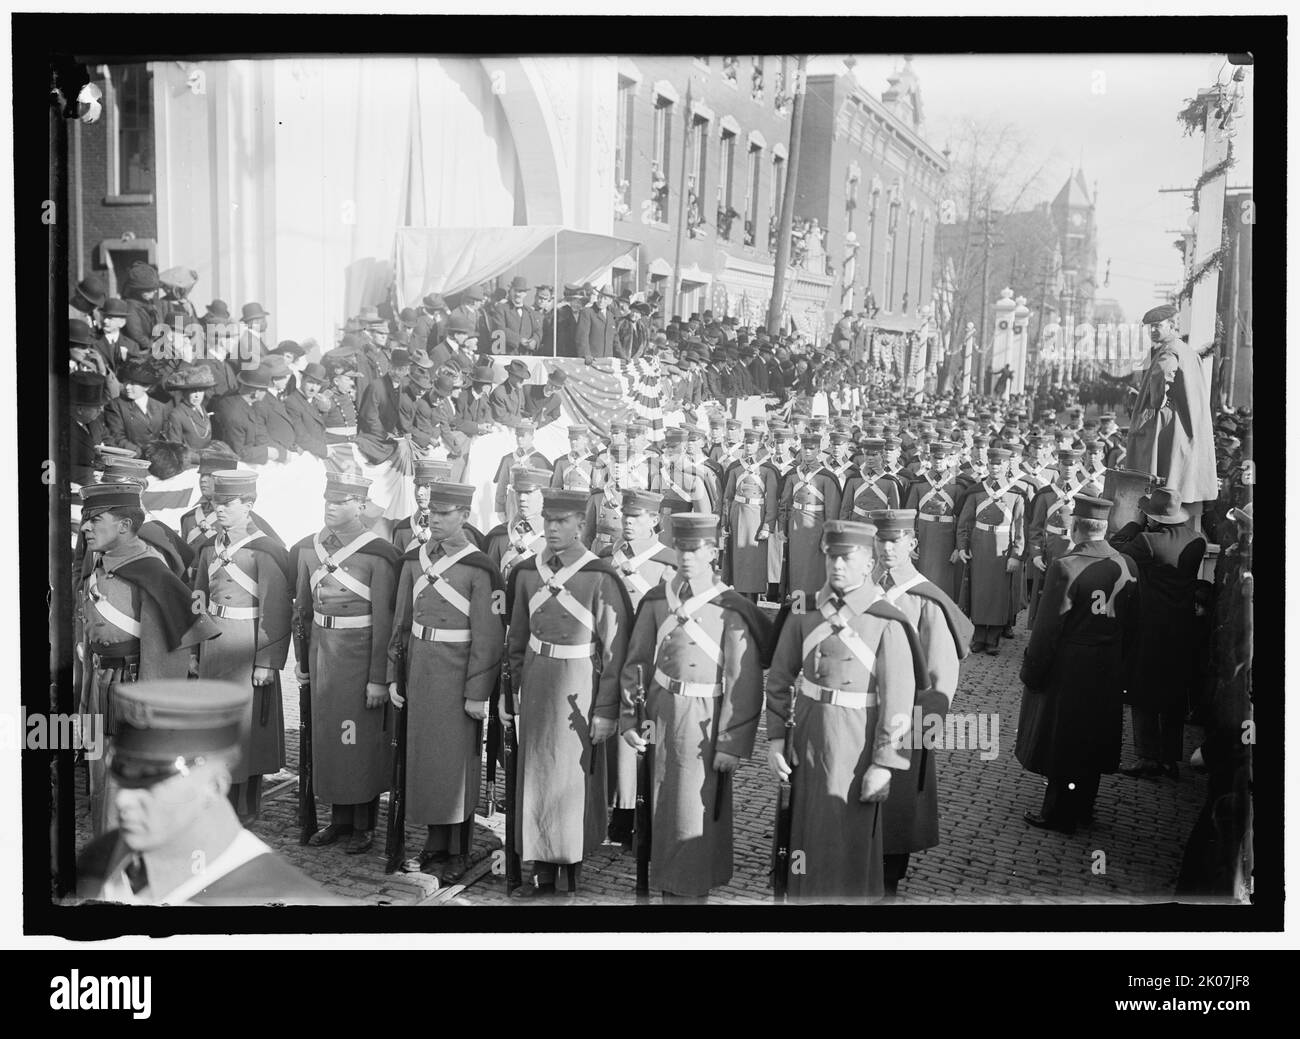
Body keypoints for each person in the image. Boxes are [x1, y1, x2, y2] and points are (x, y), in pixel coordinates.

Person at [76, 679, 348, 905]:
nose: (123, 799)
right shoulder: (98, 860)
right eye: (122, 776)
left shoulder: (284, 900)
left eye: (150, 782)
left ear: (214, 786)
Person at [764, 519, 922, 903]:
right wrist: (775, 740)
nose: (836, 565)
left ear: (869, 563)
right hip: (808, 740)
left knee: (848, 842)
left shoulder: (887, 619)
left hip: (857, 746)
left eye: (846, 558)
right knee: (805, 833)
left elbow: (899, 700)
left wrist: (884, 763)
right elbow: (779, 677)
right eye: (831, 556)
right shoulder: (803, 609)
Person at [618, 513, 769, 902]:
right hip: (661, 711)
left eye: (696, 548)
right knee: (661, 803)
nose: (687, 555)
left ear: (713, 552)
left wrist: (731, 742)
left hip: (706, 718)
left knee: (693, 809)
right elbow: (636, 661)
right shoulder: (657, 600)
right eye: (682, 547)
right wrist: (630, 717)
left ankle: (688, 892)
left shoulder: (731, 608)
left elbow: (743, 682)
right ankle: (668, 883)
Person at [502, 487, 632, 897]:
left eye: (562, 522)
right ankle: (540, 868)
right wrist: (512, 694)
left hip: (580, 685)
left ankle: (569, 868)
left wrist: (607, 709)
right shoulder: (526, 573)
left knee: (572, 777)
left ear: (580, 524)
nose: (553, 528)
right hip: (539, 683)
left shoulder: (601, 577)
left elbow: (615, 652)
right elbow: (516, 642)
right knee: (537, 774)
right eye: (548, 521)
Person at [76, 481, 220, 834]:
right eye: (86, 519)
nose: (85, 528)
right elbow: (91, 642)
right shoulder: (101, 566)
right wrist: (83, 699)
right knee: (101, 778)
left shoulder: (150, 573)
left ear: (125, 526)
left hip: (132, 689)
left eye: (95, 519)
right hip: (100, 686)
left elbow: (166, 651)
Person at [388, 481, 504, 880]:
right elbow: (400, 624)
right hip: (421, 670)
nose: (434, 520)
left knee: (456, 763)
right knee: (426, 761)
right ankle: (434, 842)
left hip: (458, 676)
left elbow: (488, 637)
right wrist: (393, 677)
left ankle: (457, 846)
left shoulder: (478, 566)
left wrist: (477, 691)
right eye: (431, 514)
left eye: (444, 514)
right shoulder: (414, 560)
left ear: (464, 517)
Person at [1016, 495, 1140, 833]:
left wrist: (1033, 670)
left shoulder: (1066, 566)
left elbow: (1047, 629)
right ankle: (1084, 806)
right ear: (1104, 527)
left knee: (1063, 739)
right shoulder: (1128, 564)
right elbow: (1134, 624)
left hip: (1070, 666)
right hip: (1108, 664)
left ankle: (1057, 812)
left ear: (1074, 527)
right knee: (1092, 737)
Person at [292, 471, 401, 855]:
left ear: (360, 505)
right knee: (331, 740)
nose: (331, 507)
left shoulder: (378, 553)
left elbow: (386, 622)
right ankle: (339, 820)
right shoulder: (309, 549)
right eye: (328, 501)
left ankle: (363, 823)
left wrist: (378, 679)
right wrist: (302, 662)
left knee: (359, 740)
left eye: (341, 501)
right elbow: (302, 614)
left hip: (359, 659)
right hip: (324, 657)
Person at [869, 509, 973, 898]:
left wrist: (920, 733)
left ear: (912, 543)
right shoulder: (865, 586)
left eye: (896, 540)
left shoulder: (926, 600)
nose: (887, 548)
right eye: (881, 540)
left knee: (896, 809)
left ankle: (887, 881)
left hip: (902, 721)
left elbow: (942, 679)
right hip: (860, 713)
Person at [190, 469, 293, 823]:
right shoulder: (208, 548)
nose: (220, 509)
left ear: (249, 505)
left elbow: (276, 611)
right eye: (217, 502)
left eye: (228, 503)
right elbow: (198, 599)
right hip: (214, 646)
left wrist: (267, 661)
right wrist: (193, 650)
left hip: (247, 646)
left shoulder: (265, 550)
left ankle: (245, 805)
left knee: (248, 730)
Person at [1111, 487, 1207, 781]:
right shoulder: (1197, 541)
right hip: (1182, 629)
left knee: (1143, 695)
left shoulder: (1146, 542)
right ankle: (1169, 759)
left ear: (1153, 518)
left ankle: (1147, 757)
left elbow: (1115, 546)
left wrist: (1137, 522)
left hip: (1149, 628)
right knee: (1173, 696)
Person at [1125, 304, 1218, 523]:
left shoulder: (1169, 351)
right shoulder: (1188, 351)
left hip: (1172, 427)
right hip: (1189, 427)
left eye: (1158, 326)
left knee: (1158, 476)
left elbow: (1162, 374)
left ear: (1172, 325)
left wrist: (1155, 401)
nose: (1153, 331)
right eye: (1150, 327)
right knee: (1183, 482)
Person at [954, 447, 1025, 654]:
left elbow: (1020, 528)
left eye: (999, 464)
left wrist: (1016, 555)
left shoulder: (1015, 493)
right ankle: (978, 636)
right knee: (978, 591)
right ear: (987, 465)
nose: (995, 467)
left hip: (1003, 549)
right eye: (992, 464)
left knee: (998, 593)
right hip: (979, 546)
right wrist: (961, 547)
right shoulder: (977, 491)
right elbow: (964, 523)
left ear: (1006, 466)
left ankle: (993, 637)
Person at [779, 433, 843, 601]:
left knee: (814, 571)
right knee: (796, 570)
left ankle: (814, 610)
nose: (807, 452)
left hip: (817, 529)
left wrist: (827, 536)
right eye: (804, 448)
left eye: (811, 449)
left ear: (819, 450)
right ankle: (796, 610)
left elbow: (832, 511)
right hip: (795, 528)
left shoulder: (827, 477)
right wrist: (782, 528)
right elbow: (785, 504)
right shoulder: (793, 474)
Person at [721, 428, 778, 600]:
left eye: (752, 442)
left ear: (759, 444)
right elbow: (728, 497)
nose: (748, 445)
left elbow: (772, 500)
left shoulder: (768, 469)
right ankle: (738, 596)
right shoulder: (735, 467)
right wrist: (725, 522)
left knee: (753, 560)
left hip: (757, 517)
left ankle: (753, 599)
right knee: (738, 559)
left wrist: (767, 526)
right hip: (737, 515)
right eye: (746, 441)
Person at [485, 466, 552, 583]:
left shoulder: (555, 537)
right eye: (518, 492)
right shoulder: (499, 534)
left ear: (544, 495)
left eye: (528, 492)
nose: (522, 498)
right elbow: (488, 583)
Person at [214, 366, 288, 465]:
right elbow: (237, 453)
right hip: (232, 464)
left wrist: (282, 453)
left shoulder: (242, 399)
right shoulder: (235, 414)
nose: (267, 393)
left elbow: (259, 434)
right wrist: (267, 452)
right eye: (265, 390)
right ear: (256, 392)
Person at [103, 363, 168, 456]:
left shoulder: (160, 407)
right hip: (133, 458)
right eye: (126, 382)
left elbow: (164, 436)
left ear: (146, 387)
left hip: (157, 459)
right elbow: (117, 437)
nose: (127, 387)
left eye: (133, 384)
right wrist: (142, 453)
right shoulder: (116, 405)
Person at [70, 371, 110, 486]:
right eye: (97, 407)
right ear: (80, 410)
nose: (100, 410)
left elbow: (108, 440)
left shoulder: (94, 421)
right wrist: (91, 473)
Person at [284, 362, 330, 459]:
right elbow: (301, 437)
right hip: (304, 458)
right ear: (302, 379)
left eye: (318, 384)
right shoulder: (291, 402)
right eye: (310, 382)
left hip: (317, 454)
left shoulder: (314, 401)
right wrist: (324, 450)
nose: (314, 388)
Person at [486, 276, 543, 354]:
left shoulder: (530, 312)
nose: (518, 294)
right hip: (508, 354)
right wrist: (519, 340)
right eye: (515, 290)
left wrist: (535, 341)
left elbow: (538, 330)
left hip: (526, 356)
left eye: (521, 291)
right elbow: (499, 328)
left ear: (525, 294)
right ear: (511, 291)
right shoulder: (501, 309)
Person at [576, 288, 618, 361]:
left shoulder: (611, 316)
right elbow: (582, 336)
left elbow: (615, 339)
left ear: (610, 301)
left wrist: (624, 356)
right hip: (591, 360)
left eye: (605, 298)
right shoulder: (587, 312)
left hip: (607, 361)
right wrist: (586, 354)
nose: (601, 301)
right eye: (600, 297)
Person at [488, 359, 532, 424]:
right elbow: (500, 417)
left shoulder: (519, 389)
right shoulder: (499, 393)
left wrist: (528, 416)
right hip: (500, 427)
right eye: (519, 377)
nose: (522, 381)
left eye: (523, 378)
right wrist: (520, 420)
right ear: (510, 375)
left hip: (515, 425)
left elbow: (520, 409)